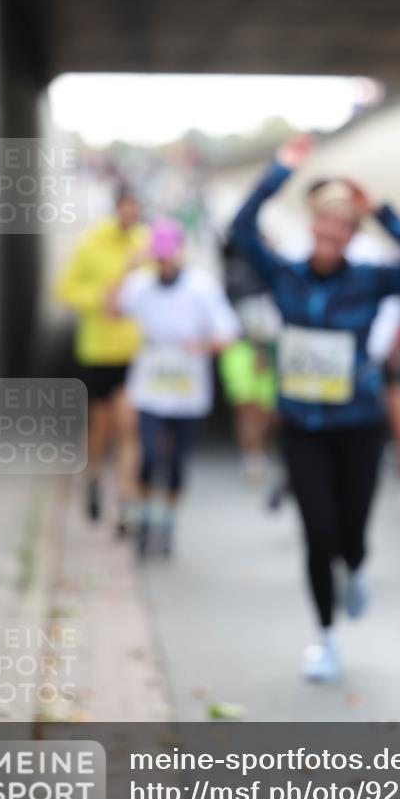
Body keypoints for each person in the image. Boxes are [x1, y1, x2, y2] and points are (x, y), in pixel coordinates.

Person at [231, 134, 400, 681]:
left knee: (352, 532)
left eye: (344, 225)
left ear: (352, 234)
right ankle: (325, 638)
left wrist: (380, 210)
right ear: (312, 224)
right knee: (318, 531)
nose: (332, 232)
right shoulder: (286, 274)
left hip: (358, 423)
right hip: (301, 423)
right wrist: (278, 172)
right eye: (325, 221)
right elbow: (241, 230)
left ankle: (357, 567)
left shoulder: (369, 280)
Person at [115, 218, 240, 557]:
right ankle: (144, 518)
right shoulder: (140, 284)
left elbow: (229, 332)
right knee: (148, 453)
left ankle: (167, 521)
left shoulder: (201, 286)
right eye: (159, 256)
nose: (164, 262)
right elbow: (111, 309)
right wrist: (127, 268)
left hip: (187, 387)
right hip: (151, 383)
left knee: (176, 462)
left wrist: (202, 345)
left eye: (168, 255)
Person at [54, 187, 148, 534]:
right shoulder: (91, 243)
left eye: (135, 210)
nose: (130, 215)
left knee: (129, 425)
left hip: (134, 350)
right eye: (125, 208)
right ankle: (93, 475)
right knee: (101, 425)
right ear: (117, 208)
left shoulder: (145, 243)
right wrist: (101, 297)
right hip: (98, 350)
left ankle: (126, 500)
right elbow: (65, 289)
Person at [219, 238, 281, 483]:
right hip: (242, 347)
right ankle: (252, 456)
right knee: (246, 407)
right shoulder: (234, 273)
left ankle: (261, 451)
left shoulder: (278, 273)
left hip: (270, 348)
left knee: (268, 410)